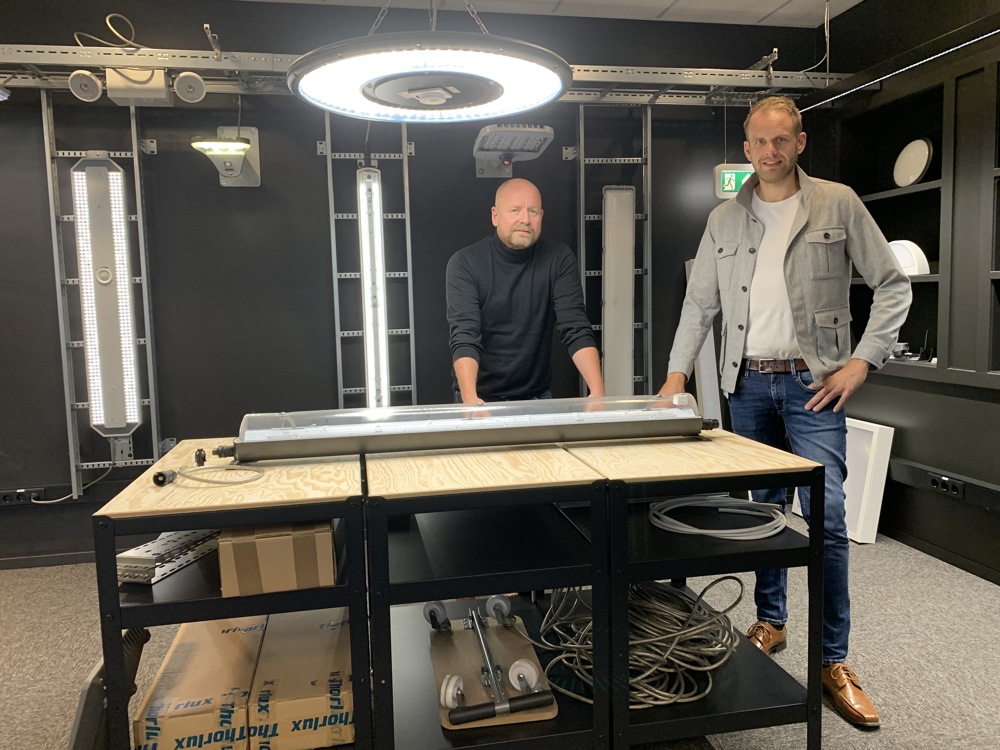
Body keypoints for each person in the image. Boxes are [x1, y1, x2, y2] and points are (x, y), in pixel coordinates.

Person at [657, 96, 911, 729]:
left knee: (823, 518)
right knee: (764, 516)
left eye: (782, 140)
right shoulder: (723, 219)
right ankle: (771, 622)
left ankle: (834, 660)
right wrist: (674, 378)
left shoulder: (838, 202)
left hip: (814, 385)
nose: (770, 151)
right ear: (746, 150)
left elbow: (892, 284)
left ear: (800, 142)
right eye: (759, 142)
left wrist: (863, 361)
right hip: (746, 387)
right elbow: (699, 306)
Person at [446, 178, 605, 404]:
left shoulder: (558, 258)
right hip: (478, 396)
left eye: (533, 211)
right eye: (515, 210)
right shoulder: (464, 263)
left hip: (536, 396)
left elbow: (575, 327)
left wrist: (598, 394)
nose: (525, 219)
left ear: (541, 215)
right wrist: (471, 400)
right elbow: (465, 336)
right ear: (495, 215)